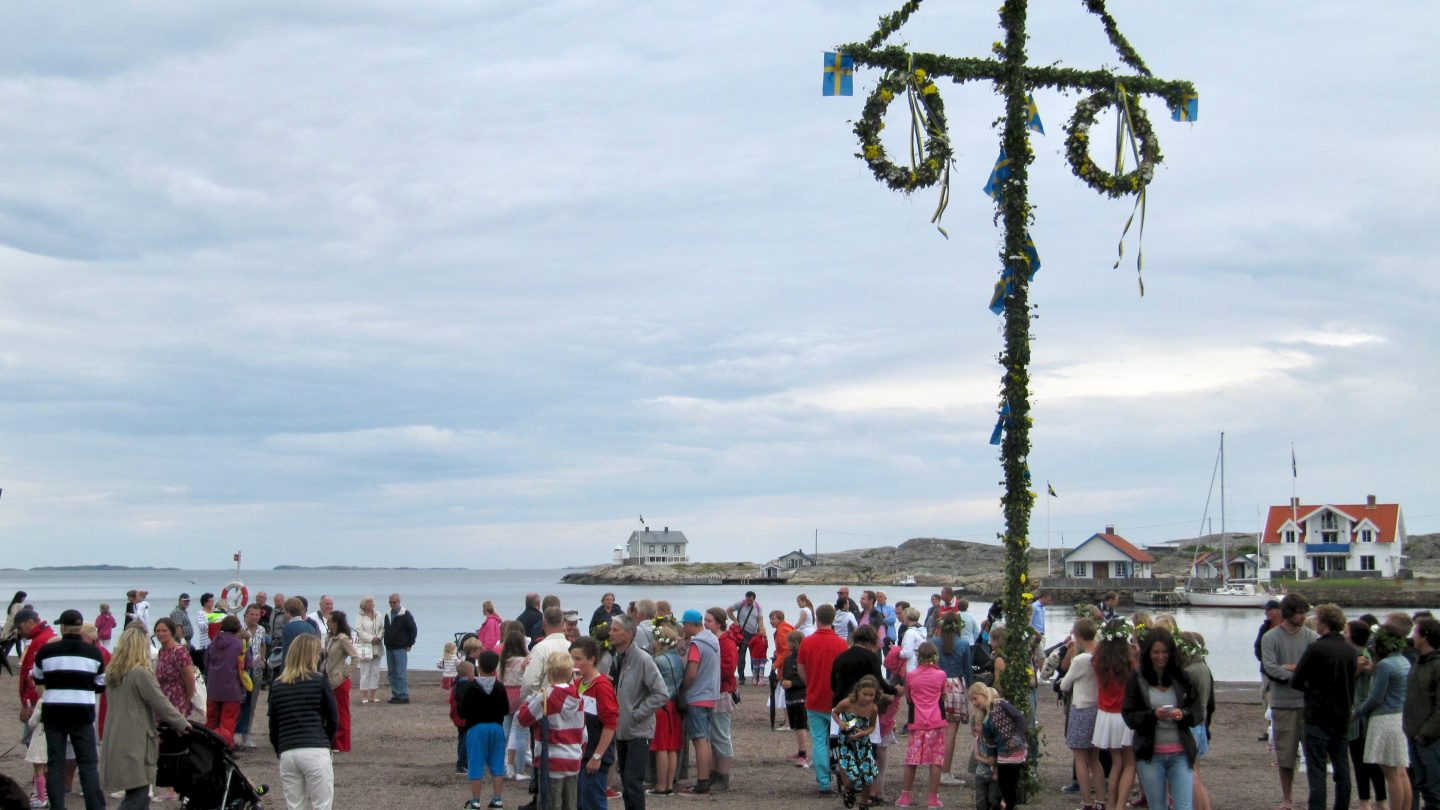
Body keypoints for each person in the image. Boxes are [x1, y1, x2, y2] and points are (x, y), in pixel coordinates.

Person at [100, 625, 194, 810]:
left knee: (136, 791)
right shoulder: (140, 673)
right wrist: (183, 724)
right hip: (135, 739)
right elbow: (161, 703)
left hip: (115, 735)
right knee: (139, 795)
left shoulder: (114, 673)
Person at [31, 609, 106, 810]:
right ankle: (95, 806)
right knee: (88, 763)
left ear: (63, 627)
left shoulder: (47, 652)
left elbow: (38, 677)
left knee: (55, 763)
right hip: (82, 711)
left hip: (54, 710)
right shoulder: (93, 652)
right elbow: (100, 684)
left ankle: (57, 806)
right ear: (80, 628)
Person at [1123, 627, 1198, 810]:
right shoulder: (1137, 679)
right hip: (1150, 754)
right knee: (1158, 806)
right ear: (1148, 653)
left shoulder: (1182, 677)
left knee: (1184, 806)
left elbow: (1196, 711)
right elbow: (1130, 717)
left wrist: (1183, 714)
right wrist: (1153, 715)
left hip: (1180, 752)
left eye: (1164, 652)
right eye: (1155, 652)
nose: (1160, 657)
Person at [1290, 603, 1357, 810]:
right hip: (1342, 715)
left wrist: (1311, 686)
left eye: (1317, 620)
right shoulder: (1349, 649)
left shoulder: (1316, 648)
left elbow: (1296, 680)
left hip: (1318, 715)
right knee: (1342, 768)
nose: (1315, 623)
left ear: (1325, 623)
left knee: (1317, 770)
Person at [269, 633, 339, 810]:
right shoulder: (319, 681)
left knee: (295, 805)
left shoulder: (277, 685)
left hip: (288, 750)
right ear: (310, 656)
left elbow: (273, 726)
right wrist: (326, 742)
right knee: (322, 804)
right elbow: (332, 719)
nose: (318, 658)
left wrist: (280, 748)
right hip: (315, 746)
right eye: (317, 654)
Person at [1263, 593, 1319, 810]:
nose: (1304, 616)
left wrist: (1289, 668)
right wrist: (1298, 672)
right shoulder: (1271, 638)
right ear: (1288, 613)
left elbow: (1314, 670)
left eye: (1306, 612)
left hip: (1308, 705)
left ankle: (1315, 796)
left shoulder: (1312, 638)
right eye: (1300, 612)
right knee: (1285, 756)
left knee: (1314, 756)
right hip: (1282, 704)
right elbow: (1271, 669)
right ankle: (1287, 799)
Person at [607, 616, 668, 810]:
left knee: (633, 783)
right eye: (611, 629)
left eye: (615, 630)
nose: (610, 633)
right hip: (622, 730)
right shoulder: (617, 659)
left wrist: (637, 714)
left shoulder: (643, 659)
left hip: (638, 732)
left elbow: (661, 693)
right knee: (627, 782)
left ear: (628, 634)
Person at [1354, 616, 1412, 810]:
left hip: (1385, 720)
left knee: (1391, 774)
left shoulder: (1386, 665)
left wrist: (1356, 713)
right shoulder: (1402, 661)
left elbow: (1375, 698)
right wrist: (1372, 671)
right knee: (1401, 771)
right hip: (1401, 717)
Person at [517, 651, 585, 810]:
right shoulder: (578, 698)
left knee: (550, 804)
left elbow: (522, 719)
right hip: (573, 759)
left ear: (548, 673)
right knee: (571, 804)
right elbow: (584, 733)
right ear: (570, 674)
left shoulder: (545, 697)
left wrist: (529, 700)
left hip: (552, 761)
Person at [797, 603, 849, 795]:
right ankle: (843, 779)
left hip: (814, 697)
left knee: (819, 741)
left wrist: (811, 682)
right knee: (839, 741)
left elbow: (801, 669)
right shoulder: (841, 644)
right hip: (836, 701)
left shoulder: (806, 642)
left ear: (816, 618)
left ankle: (823, 782)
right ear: (833, 619)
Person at [1094, 618, 1138, 810]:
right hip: (1124, 714)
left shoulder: (1098, 659)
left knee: (1116, 762)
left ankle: (1111, 804)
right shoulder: (1128, 660)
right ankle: (1120, 805)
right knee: (1130, 763)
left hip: (1105, 714)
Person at [897, 642, 946, 809]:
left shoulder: (911, 675)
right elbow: (942, 694)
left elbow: (909, 698)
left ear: (918, 656)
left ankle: (905, 796)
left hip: (917, 721)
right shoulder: (941, 675)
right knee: (936, 760)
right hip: (936, 720)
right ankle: (932, 798)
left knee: (912, 760)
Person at [1060, 618, 1103, 810]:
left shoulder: (1080, 659)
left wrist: (1071, 654)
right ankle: (1101, 800)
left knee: (1080, 758)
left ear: (1078, 636)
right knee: (1095, 758)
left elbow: (1064, 684)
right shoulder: (1101, 655)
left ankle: (1087, 802)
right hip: (1098, 708)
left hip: (1082, 708)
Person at [460, 650, 511, 809]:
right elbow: (505, 709)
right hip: (496, 727)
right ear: (495, 667)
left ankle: (475, 801)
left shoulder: (471, 686)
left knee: (476, 764)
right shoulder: (500, 686)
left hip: (476, 727)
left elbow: (462, 710)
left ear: (479, 666)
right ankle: (497, 799)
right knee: (497, 764)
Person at [678, 609, 721, 795]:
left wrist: (683, 688)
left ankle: (702, 782)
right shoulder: (713, 640)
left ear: (689, 624)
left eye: (684, 625)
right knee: (705, 738)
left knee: (699, 739)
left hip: (698, 695)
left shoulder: (697, 643)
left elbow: (692, 672)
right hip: (711, 694)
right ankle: (706, 779)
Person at [1177, 631, 1214, 810]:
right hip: (1200, 726)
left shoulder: (1190, 671)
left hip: (1192, 727)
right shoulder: (1203, 667)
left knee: (1191, 777)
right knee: (1195, 774)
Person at [832, 674, 882, 808]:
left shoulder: (873, 708)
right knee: (852, 772)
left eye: (871, 695)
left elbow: (872, 726)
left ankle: (864, 803)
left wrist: (865, 733)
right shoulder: (848, 702)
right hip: (847, 741)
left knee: (868, 774)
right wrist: (841, 723)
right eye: (865, 694)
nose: (868, 698)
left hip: (863, 742)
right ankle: (849, 789)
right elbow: (835, 712)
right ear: (858, 691)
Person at [1406, 616, 1440, 808]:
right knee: (1423, 788)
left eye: (1415, 632)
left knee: (1435, 793)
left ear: (1424, 636)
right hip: (1414, 736)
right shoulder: (1419, 661)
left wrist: (1425, 733)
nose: (1412, 636)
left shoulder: (1437, 665)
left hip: (1431, 739)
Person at [205, 614, 251, 749]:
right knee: (228, 721)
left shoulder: (212, 643)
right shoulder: (239, 645)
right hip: (232, 688)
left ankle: (209, 745)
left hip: (213, 688)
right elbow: (247, 664)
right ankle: (227, 746)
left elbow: (206, 663)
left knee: (212, 721)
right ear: (237, 628)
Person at [649, 626, 686, 796]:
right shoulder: (678, 658)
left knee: (661, 747)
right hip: (675, 706)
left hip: (661, 705)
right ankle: (669, 784)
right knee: (672, 747)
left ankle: (661, 786)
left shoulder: (659, 660)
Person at [707, 608, 739, 792]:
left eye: (709, 620)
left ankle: (724, 776)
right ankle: (714, 773)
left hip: (721, 692)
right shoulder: (712, 640)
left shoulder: (726, 643)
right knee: (712, 737)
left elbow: (728, 669)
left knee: (721, 736)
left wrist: (705, 673)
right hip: (711, 692)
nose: (705, 623)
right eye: (705, 620)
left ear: (718, 623)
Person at [16, 608, 57, 729]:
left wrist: (27, 703)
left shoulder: (41, 640)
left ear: (30, 622)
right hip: (44, 697)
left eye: (20, 627)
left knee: (33, 740)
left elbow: (33, 675)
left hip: (38, 700)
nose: (19, 632)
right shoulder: (45, 636)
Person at [324, 611, 359, 753]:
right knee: (330, 712)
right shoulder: (329, 638)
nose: (327, 623)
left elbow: (355, 657)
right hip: (328, 678)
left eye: (330, 621)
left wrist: (346, 673)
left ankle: (342, 743)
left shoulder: (343, 639)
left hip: (340, 680)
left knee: (341, 712)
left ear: (336, 623)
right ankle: (332, 742)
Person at [237, 604, 270, 749]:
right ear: (246, 615)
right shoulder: (239, 630)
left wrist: (263, 660)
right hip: (240, 673)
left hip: (256, 672)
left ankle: (246, 737)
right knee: (236, 704)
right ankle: (231, 735)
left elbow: (263, 645)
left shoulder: (261, 630)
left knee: (251, 705)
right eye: (252, 614)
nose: (254, 617)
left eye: (257, 615)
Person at [500, 631, 532, 780]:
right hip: (519, 694)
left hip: (506, 694)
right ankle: (519, 769)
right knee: (520, 732)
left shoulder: (503, 661)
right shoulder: (524, 661)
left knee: (506, 731)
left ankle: (504, 765)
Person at [779, 630, 810, 767]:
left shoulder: (805, 658)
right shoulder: (788, 658)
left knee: (801, 724)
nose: (787, 644)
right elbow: (786, 675)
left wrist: (793, 683)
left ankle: (803, 753)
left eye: (789, 642)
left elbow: (807, 678)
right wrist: (782, 682)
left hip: (801, 696)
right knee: (795, 725)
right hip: (790, 695)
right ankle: (800, 750)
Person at [383, 593, 418, 704]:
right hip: (389, 647)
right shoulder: (387, 615)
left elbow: (413, 630)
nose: (392, 604)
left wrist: (409, 644)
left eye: (394, 602)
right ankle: (396, 694)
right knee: (391, 673)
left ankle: (403, 695)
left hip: (400, 648)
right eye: (391, 602)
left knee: (400, 673)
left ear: (399, 602)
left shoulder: (406, 615)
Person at [726, 592, 764, 683]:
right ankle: (741, 677)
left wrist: (761, 631)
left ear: (754, 599)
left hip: (753, 634)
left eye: (750, 600)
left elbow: (760, 620)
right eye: (747, 600)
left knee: (754, 656)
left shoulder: (758, 607)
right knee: (741, 656)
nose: (749, 602)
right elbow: (728, 611)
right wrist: (735, 620)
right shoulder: (741, 604)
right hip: (743, 634)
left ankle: (755, 677)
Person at [353, 596, 385, 704]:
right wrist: (371, 639)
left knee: (375, 671)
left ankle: (374, 694)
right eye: (368, 602)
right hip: (365, 647)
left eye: (371, 601)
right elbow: (359, 631)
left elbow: (382, 629)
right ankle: (365, 695)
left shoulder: (378, 615)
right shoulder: (360, 616)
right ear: (364, 604)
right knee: (365, 672)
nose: (370, 604)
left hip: (377, 647)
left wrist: (379, 637)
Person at [191, 593, 216, 670]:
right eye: (210, 601)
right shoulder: (201, 613)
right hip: (206, 644)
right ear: (205, 603)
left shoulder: (215, 611)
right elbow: (202, 626)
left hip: (216, 643)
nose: (212, 603)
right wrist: (211, 619)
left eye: (213, 601)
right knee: (208, 667)